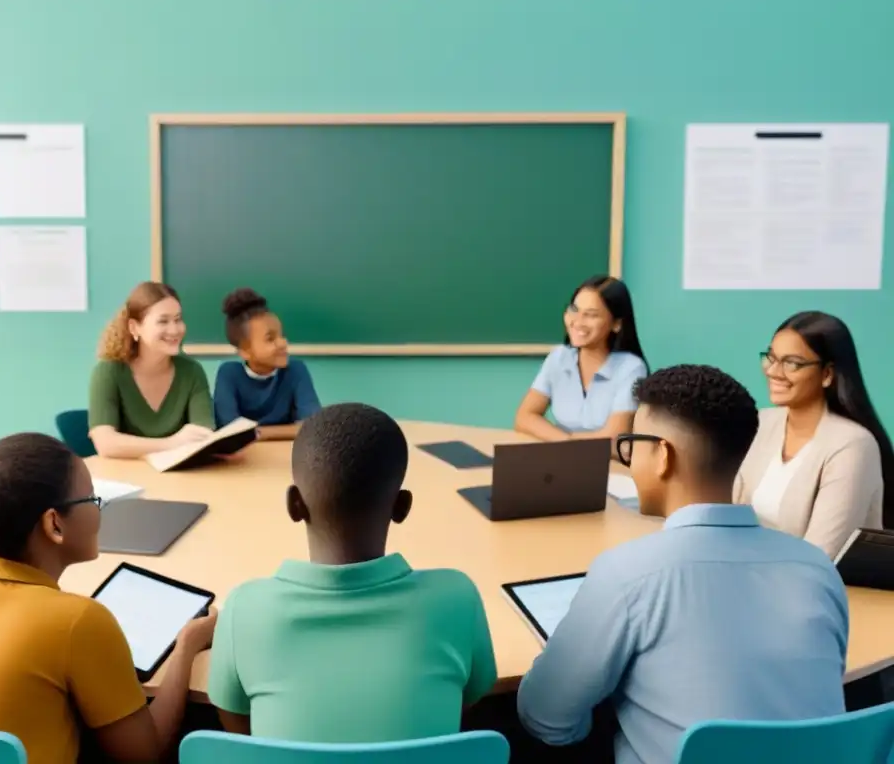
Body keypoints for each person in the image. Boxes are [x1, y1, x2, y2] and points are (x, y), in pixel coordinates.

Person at [517, 365, 848, 764]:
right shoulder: (817, 569)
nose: (626, 456)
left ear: (662, 454)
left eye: (631, 443)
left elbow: (546, 718)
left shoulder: (627, 574)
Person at [0, 433, 217, 764]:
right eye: (92, 499)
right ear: (54, 524)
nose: (98, 509)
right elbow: (145, 753)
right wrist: (187, 644)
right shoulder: (78, 620)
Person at [207, 403, 496, 742]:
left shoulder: (245, 608)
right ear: (402, 507)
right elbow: (465, 701)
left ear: (294, 505)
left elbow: (239, 725)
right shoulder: (457, 598)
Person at [736, 311, 892, 558]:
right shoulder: (759, 423)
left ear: (828, 374)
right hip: (751, 579)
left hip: (815, 591)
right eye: (771, 358)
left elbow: (819, 557)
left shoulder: (852, 446)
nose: (774, 371)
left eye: (792, 363)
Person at [514, 275, 647, 450]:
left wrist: (559, 438)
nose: (577, 321)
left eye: (591, 315)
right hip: (561, 458)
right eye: (574, 310)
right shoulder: (559, 358)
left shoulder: (632, 368)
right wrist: (566, 441)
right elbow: (524, 417)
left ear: (616, 324)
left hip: (610, 467)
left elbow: (613, 438)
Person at [89, 281, 216, 459]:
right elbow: (106, 444)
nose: (175, 329)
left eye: (178, 319)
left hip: (181, 480)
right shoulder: (108, 372)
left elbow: (202, 435)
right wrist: (171, 443)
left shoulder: (192, 371)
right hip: (125, 481)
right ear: (134, 327)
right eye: (163, 321)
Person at [213, 288, 321, 441]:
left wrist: (258, 433)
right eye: (270, 339)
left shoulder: (295, 370)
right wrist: (289, 430)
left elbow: (313, 425)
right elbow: (229, 430)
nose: (283, 343)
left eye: (282, 335)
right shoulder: (229, 374)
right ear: (245, 351)